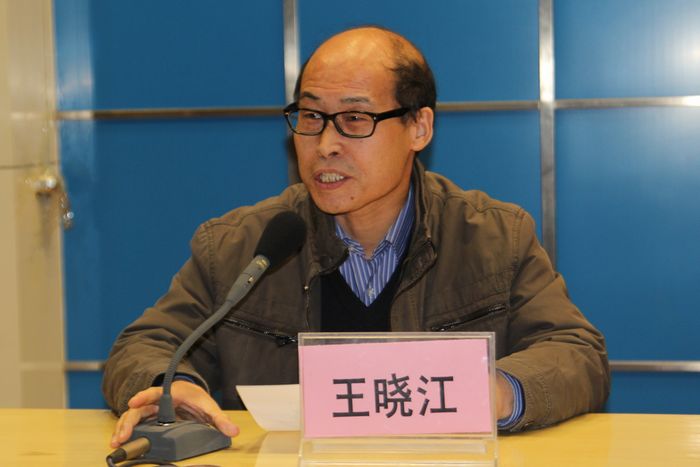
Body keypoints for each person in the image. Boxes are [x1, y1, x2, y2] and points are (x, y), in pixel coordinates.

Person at [105, 26, 610, 448]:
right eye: (311, 117)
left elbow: (576, 351)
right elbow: (145, 344)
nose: (325, 144)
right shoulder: (240, 245)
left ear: (419, 127)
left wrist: (496, 392)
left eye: (354, 119)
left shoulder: (494, 237)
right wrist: (173, 386)